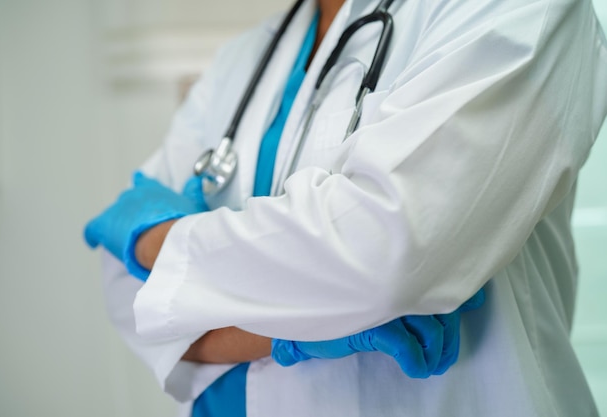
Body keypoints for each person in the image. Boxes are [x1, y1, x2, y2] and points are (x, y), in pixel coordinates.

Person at [85, 0, 607, 416]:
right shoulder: (242, 60)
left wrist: (151, 239)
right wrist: (290, 332)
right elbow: (129, 298)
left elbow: (386, 250)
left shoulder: (517, 9)